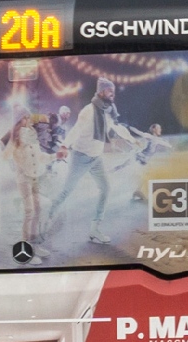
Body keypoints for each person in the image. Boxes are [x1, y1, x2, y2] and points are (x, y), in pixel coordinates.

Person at [41, 78, 134, 246]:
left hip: (96, 158)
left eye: (113, 91)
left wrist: (133, 140)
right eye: (109, 91)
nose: (112, 94)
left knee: (105, 188)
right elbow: (76, 129)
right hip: (81, 156)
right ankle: (45, 222)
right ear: (101, 92)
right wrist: (64, 146)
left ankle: (94, 229)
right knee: (66, 191)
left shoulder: (107, 111)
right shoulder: (89, 111)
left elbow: (116, 128)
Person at [1, 111, 54, 259]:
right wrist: (13, 153)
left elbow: (40, 156)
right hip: (24, 178)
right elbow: (5, 156)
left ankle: (34, 244)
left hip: (35, 177)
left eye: (28, 117)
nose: (28, 120)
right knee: (29, 211)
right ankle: (26, 247)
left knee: (38, 209)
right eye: (25, 118)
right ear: (19, 120)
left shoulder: (32, 134)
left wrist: (54, 156)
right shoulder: (16, 138)